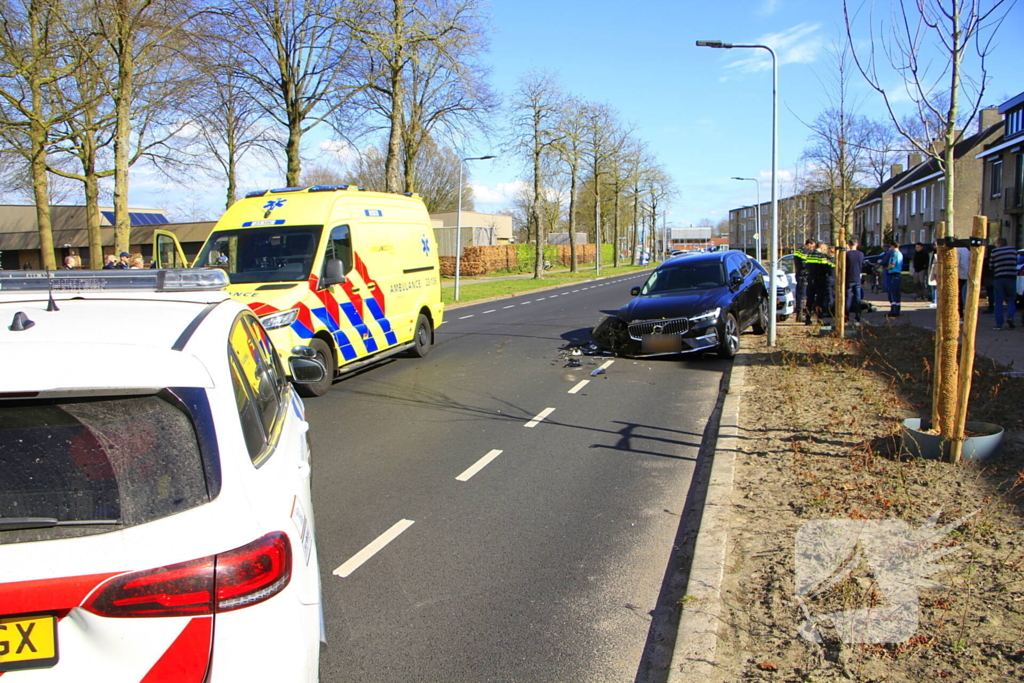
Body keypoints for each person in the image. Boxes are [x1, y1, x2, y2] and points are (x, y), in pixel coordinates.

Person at [990, 237, 1018, 330]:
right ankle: (1010, 316)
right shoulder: (1013, 250)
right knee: (1011, 300)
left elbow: (991, 266)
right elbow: (1016, 262)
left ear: (999, 243)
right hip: (1011, 278)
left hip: (999, 278)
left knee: (998, 302)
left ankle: (999, 324)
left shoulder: (994, 251)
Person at [793, 238, 816, 323]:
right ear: (808, 244)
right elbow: (804, 264)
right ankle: (800, 315)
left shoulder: (799, 250)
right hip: (803, 275)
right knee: (802, 296)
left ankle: (799, 314)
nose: (812, 248)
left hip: (800, 274)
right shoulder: (804, 252)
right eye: (812, 246)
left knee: (800, 295)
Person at [845, 238, 864, 325]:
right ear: (857, 244)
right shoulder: (861, 254)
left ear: (849, 245)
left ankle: (846, 319)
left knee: (847, 299)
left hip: (848, 278)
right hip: (857, 278)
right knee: (857, 299)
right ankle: (857, 318)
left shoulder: (847, 254)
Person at [884, 241, 904, 317]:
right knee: (897, 292)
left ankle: (893, 310)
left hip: (893, 274)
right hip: (898, 274)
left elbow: (892, 264)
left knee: (892, 292)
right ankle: (897, 309)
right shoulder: (900, 254)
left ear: (892, 246)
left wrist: (887, 268)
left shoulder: (895, 254)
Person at [926, 240, 939, 308]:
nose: (934, 246)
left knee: (936, 287)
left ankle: (935, 301)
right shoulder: (932, 252)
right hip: (931, 270)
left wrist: (936, 273)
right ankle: (934, 300)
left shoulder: (939, 254)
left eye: (935, 244)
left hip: (936, 272)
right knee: (933, 287)